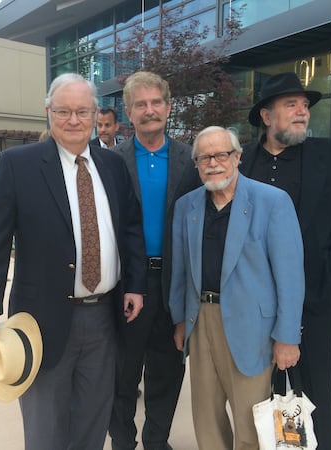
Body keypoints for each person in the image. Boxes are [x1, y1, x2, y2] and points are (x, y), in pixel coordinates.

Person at [0, 73, 147, 450]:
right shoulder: (18, 164)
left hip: (103, 318)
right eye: (63, 111)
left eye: (82, 111)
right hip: (42, 320)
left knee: (92, 421)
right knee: (45, 427)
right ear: (48, 113)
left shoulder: (113, 166)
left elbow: (131, 228)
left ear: (96, 113)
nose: (73, 120)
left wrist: (134, 283)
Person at [240, 72, 331, 450]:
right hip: (255, 307)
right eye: (291, 105)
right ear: (266, 115)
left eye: (305, 106)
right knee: (263, 401)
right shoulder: (241, 160)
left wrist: (329, 270)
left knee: (317, 397)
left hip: (313, 300)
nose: (301, 112)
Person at [169, 126, 305, 450]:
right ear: (197, 164)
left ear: (237, 157)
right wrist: (179, 322)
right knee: (206, 416)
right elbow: (180, 272)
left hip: (253, 329)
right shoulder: (186, 207)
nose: (213, 163)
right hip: (200, 323)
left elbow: (290, 276)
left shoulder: (272, 202)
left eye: (221, 155)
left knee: (251, 422)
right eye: (204, 157)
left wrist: (287, 338)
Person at [109, 71, 202, 450]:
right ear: (128, 113)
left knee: (167, 371)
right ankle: (123, 442)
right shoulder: (110, 161)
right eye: (141, 105)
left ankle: (157, 441)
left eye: (156, 103)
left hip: (174, 282)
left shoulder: (191, 159)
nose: (150, 111)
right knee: (122, 373)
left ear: (168, 107)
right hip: (128, 283)